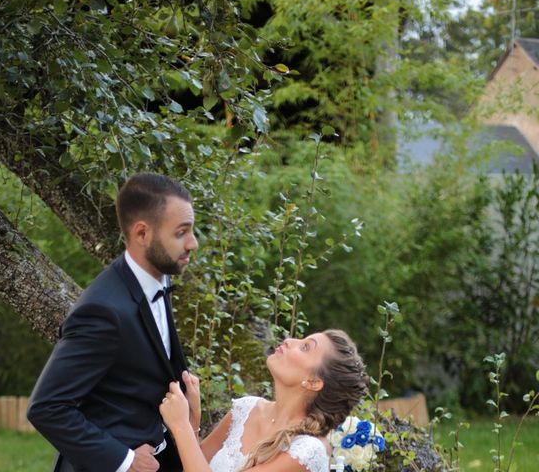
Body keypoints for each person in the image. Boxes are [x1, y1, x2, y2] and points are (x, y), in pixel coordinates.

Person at [27, 172, 200, 472]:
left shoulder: (158, 276)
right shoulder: (103, 310)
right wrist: (125, 460)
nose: (193, 243)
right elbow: (46, 408)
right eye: (181, 232)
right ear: (142, 234)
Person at [159, 329, 368, 472]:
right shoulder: (246, 408)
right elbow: (195, 463)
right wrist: (192, 418)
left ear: (314, 382)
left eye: (305, 347)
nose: (289, 340)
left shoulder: (307, 451)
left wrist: (180, 426)